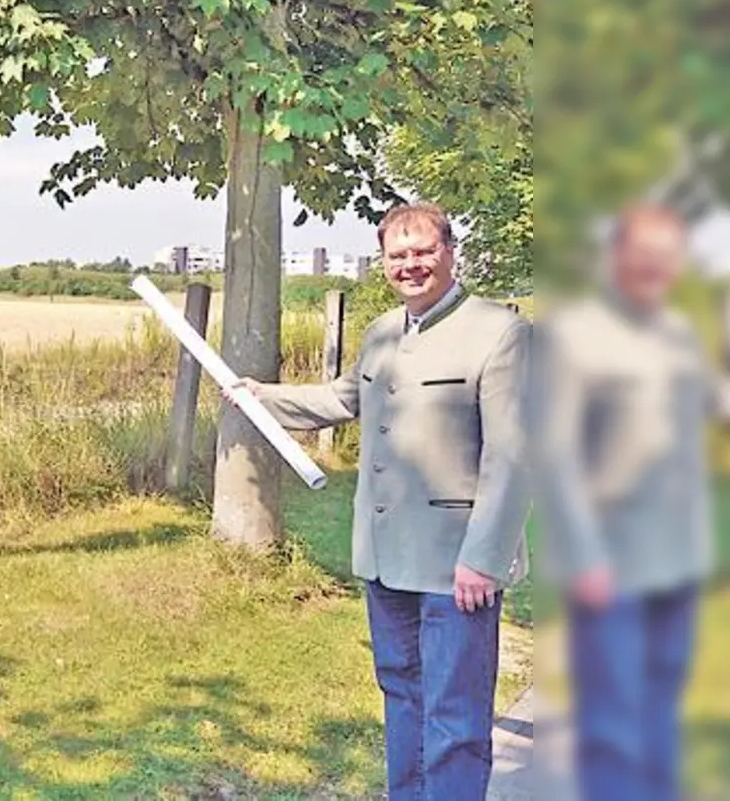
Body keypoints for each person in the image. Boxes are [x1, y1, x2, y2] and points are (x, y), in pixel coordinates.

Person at [223, 202, 531, 801]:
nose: (412, 265)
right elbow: (342, 399)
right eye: (398, 256)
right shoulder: (384, 333)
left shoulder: (500, 331)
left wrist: (485, 559)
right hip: (386, 558)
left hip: (455, 566)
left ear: (449, 252)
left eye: (424, 251)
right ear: (384, 264)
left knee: (455, 719)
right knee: (404, 700)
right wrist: (263, 396)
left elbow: (513, 455)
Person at [535, 203, 719, 801]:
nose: (655, 266)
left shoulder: (678, 333)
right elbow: (555, 454)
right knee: (613, 726)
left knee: (659, 714)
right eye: (644, 253)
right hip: (610, 565)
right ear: (617, 256)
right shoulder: (576, 335)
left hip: (677, 558)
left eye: (666, 255)